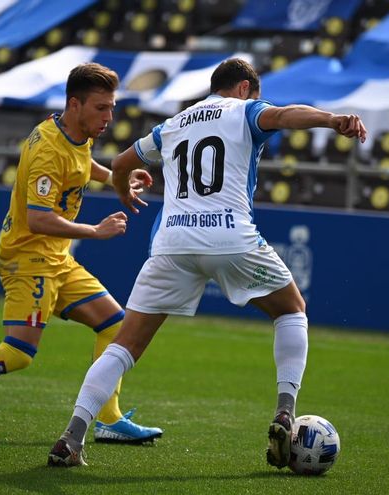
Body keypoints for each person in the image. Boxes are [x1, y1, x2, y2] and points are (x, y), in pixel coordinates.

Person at [47, 58, 367, 468]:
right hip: (230, 235)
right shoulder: (247, 110)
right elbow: (285, 115)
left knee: (125, 344)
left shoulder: (175, 122)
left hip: (173, 242)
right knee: (291, 310)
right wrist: (332, 119)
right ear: (243, 88)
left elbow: (125, 161)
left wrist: (123, 192)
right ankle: (285, 411)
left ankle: (72, 436)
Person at [0, 63, 163, 445]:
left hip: (57, 258)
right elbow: (38, 218)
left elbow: (80, 161)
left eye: (111, 108)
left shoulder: (76, 132)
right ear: (74, 105)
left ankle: (108, 418)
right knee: (19, 353)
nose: (109, 117)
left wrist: (114, 177)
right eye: (100, 108)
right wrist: (93, 231)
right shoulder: (45, 149)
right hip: (28, 257)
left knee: (114, 324)